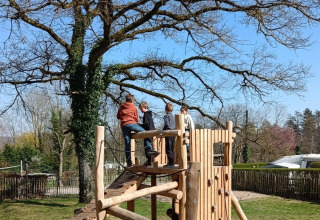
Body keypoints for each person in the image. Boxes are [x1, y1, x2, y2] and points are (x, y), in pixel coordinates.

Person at [117, 94, 159, 167]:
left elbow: (118, 116)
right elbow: (136, 119)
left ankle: (129, 162)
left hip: (124, 126)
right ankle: (149, 149)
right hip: (132, 124)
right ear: (132, 100)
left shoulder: (121, 107)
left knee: (127, 144)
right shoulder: (134, 107)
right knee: (145, 133)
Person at [139, 101, 156, 166]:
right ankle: (150, 160)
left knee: (147, 147)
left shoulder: (146, 115)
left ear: (144, 107)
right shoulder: (149, 114)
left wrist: (139, 125)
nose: (140, 110)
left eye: (141, 108)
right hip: (151, 131)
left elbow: (146, 124)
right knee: (149, 146)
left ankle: (149, 161)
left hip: (148, 132)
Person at [163, 102, 175, 168]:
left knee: (168, 148)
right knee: (172, 148)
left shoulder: (166, 116)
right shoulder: (173, 117)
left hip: (168, 133)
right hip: (173, 133)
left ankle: (170, 162)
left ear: (166, 109)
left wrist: (163, 131)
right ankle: (172, 162)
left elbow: (166, 124)